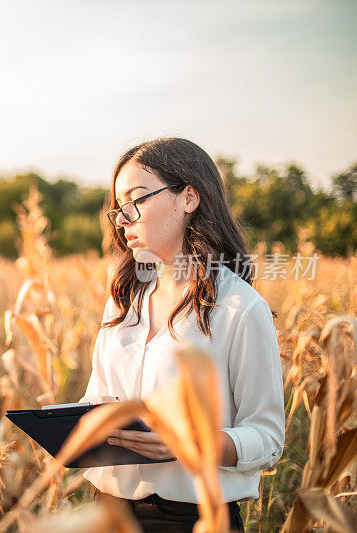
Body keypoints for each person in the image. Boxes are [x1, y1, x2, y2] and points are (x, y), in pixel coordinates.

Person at [79, 138, 284, 532]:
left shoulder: (241, 308)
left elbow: (268, 437)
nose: (123, 219)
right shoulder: (124, 299)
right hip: (108, 513)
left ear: (189, 198)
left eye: (136, 200)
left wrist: (188, 441)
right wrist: (92, 415)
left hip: (192, 520)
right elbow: (97, 393)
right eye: (119, 207)